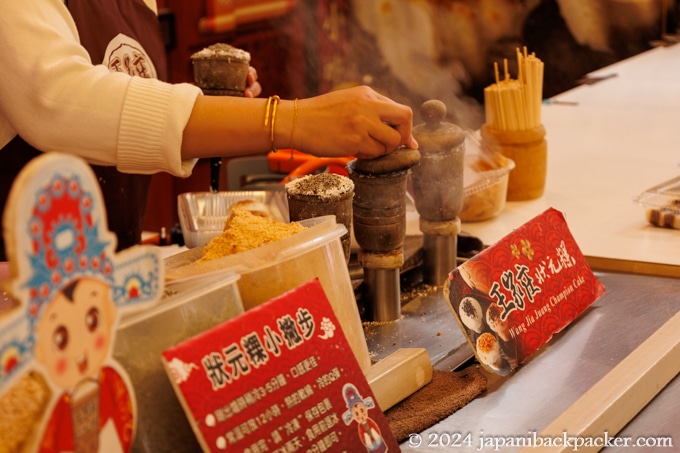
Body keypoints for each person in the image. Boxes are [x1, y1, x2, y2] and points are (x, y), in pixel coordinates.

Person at [0, 0, 418, 260]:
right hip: (19, 304)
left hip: (105, 280)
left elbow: (117, 86)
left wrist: (213, 108)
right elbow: (57, 100)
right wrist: (295, 120)